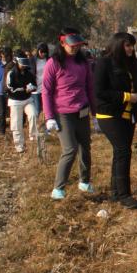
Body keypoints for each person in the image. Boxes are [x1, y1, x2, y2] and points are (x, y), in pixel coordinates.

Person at [42, 29, 97, 200]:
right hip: (62, 112)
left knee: (85, 147)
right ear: (62, 43)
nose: (74, 49)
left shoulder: (83, 63)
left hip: (82, 110)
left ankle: (85, 182)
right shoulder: (54, 63)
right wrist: (49, 117)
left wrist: (95, 115)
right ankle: (58, 188)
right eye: (71, 46)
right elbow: (46, 91)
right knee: (70, 149)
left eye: (77, 46)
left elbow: (90, 87)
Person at [94, 32, 137, 210]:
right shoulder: (104, 63)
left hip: (129, 115)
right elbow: (99, 91)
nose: (131, 48)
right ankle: (124, 195)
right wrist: (126, 96)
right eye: (127, 45)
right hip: (110, 115)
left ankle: (116, 191)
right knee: (124, 151)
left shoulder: (133, 63)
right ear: (117, 46)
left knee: (120, 152)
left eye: (132, 45)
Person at [5, 51, 39, 153]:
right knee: (16, 124)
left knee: (33, 114)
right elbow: (9, 88)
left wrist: (32, 88)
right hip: (15, 101)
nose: (24, 66)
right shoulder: (11, 73)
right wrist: (23, 88)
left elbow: (34, 84)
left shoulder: (28, 73)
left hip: (28, 100)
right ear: (16, 61)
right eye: (22, 63)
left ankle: (33, 136)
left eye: (25, 63)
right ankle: (19, 146)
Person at [32, 43, 49, 126]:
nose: (43, 54)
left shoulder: (49, 60)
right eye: (41, 52)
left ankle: (46, 127)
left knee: (46, 108)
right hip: (36, 88)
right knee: (37, 109)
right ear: (38, 51)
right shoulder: (33, 60)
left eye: (45, 52)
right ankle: (36, 126)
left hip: (46, 87)